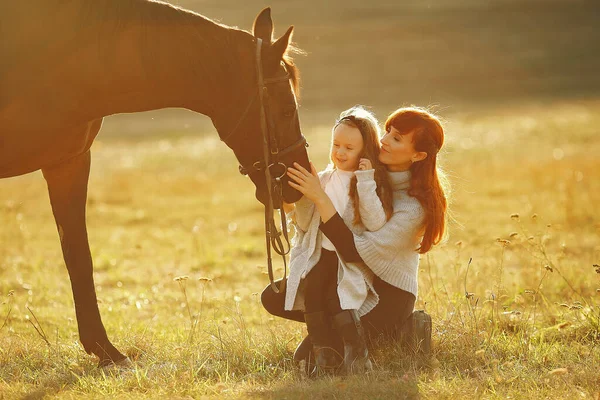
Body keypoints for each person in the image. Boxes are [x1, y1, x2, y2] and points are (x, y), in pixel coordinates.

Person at [262, 106, 448, 375]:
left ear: (418, 155)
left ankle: (402, 330)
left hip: (387, 296)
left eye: (397, 139)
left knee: (311, 360)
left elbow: (354, 252)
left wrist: (320, 198)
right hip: (345, 279)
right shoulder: (368, 176)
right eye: (387, 132)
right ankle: (333, 330)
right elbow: (318, 217)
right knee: (276, 297)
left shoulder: (413, 206)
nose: (383, 140)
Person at [281, 106, 394, 374]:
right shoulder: (324, 178)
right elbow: (307, 221)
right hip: (320, 253)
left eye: (349, 148)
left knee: (337, 298)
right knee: (312, 293)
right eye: (336, 144)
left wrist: (366, 181)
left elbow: (375, 222)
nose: (340, 153)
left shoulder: (368, 182)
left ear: (365, 151)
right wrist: (292, 202)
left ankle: (356, 353)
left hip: (347, 258)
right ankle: (324, 355)